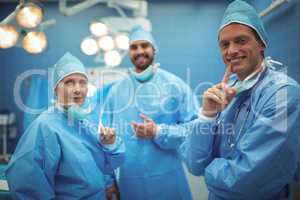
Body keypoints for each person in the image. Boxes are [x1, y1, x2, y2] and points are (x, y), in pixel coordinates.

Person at [180, 0, 300, 199]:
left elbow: (246, 181)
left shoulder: (283, 95)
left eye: (241, 41)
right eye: (224, 44)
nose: (231, 50)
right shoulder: (229, 90)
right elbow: (194, 162)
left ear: (262, 43)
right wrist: (207, 116)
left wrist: (208, 165)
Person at [6, 52, 125, 199]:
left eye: (83, 82)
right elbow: (27, 183)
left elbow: (107, 164)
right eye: (69, 82)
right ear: (56, 89)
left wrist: (110, 144)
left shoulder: (86, 122)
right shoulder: (45, 126)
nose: (77, 89)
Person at [102, 26, 198, 200]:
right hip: (130, 182)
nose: (139, 51)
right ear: (129, 52)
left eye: (144, 45)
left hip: (168, 179)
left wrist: (158, 132)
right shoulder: (116, 92)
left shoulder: (175, 86)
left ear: (154, 49)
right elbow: (104, 141)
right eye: (134, 47)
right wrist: (108, 182)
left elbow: (195, 129)